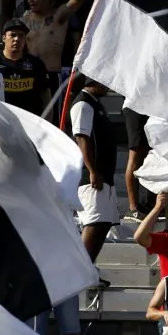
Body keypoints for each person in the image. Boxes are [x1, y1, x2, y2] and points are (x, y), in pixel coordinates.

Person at [70, 77, 118, 262]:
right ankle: (81, 270)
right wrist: (92, 170)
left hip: (104, 174)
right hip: (92, 176)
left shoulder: (95, 103)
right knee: (95, 222)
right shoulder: (83, 104)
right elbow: (82, 137)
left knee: (103, 223)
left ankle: (88, 268)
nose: (108, 83)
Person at [21, 0, 86, 92]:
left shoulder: (58, 16)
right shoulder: (24, 20)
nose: (32, 0)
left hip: (52, 74)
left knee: (54, 109)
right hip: (29, 74)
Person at [0, 19, 51, 115]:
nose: (17, 39)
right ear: (3, 38)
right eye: (12, 35)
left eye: (21, 35)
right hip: (2, 120)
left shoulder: (36, 64)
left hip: (30, 122)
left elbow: (46, 99)